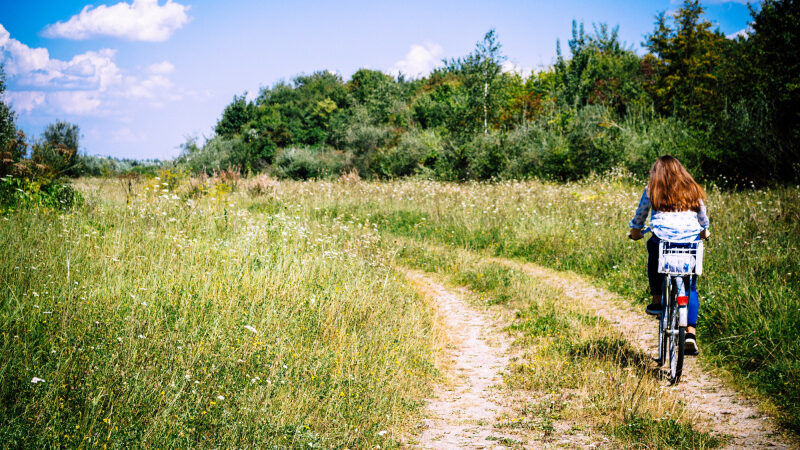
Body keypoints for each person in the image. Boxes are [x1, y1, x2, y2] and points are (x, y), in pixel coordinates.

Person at [628, 155, 710, 355]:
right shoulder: (693, 189)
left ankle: (657, 299)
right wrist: (704, 231)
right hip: (690, 243)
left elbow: (640, 216)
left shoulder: (652, 190)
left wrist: (636, 231)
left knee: (653, 248)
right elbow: (702, 218)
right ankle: (690, 332)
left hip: (663, 242)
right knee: (690, 285)